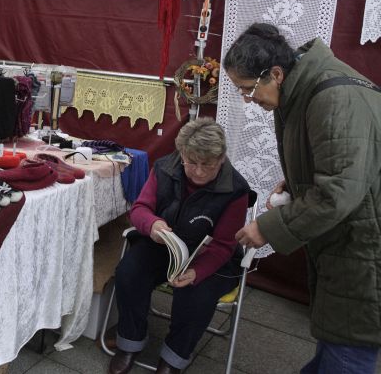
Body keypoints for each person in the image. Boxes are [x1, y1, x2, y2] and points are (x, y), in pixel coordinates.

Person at [224, 22, 381, 374]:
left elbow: (338, 191)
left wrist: (266, 228)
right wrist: (297, 182)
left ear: (276, 74)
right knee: (337, 338)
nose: (248, 99)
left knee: (348, 350)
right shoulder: (310, 87)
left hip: (364, 244)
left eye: (248, 89)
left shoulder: (332, 98)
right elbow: (351, 163)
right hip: (353, 234)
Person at [106, 118, 251, 374]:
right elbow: (140, 208)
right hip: (165, 244)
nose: (199, 172)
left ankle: (174, 358)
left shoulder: (235, 190)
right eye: (191, 162)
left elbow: (223, 245)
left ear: (221, 159)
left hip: (211, 258)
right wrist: (152, 224)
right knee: (129, 272)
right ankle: (129, 342)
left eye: (208, 164)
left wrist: (198, 270)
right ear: (181, 153)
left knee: (196, 294)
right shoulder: (165, 168)